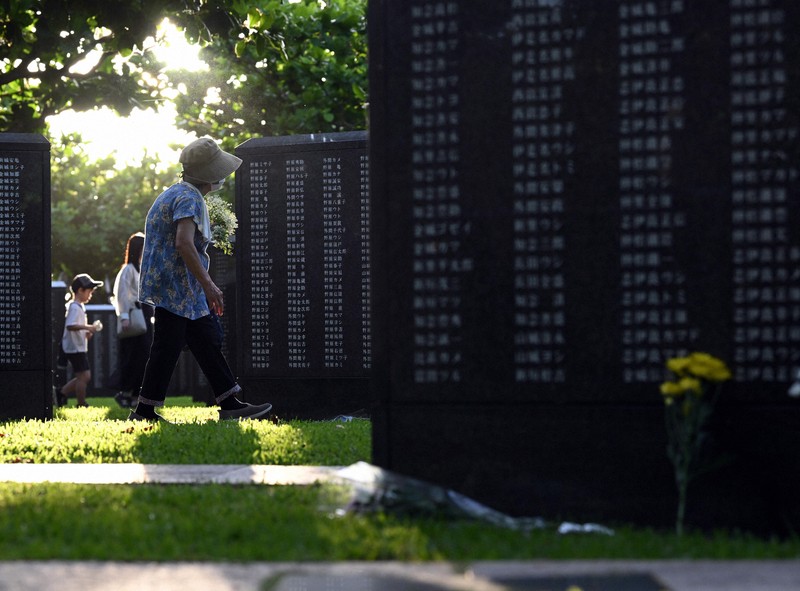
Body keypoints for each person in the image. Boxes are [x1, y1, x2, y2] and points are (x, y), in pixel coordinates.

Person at [129, 136, 272, 422]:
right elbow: (184, 242)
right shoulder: (190, 197)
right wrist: (209, 284)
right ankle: (144, 411)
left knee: (205, 341)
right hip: (178, 288)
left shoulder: (174, 192)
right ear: (210, 174)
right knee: (167, 348)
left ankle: (230, 404)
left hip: (180, 288)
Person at [111, 232, 153, 408]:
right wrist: (124, 317)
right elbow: (122, 295)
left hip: (144, 313)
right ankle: (125, 392)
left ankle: (137, 393)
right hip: (134, 314)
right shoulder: (127, 270)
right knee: (132, 356)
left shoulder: (142, 268)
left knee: (144, 355)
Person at [58, 273, 103, 407]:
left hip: (77, 347)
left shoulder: (78, 307)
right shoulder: (74, 307)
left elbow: (75, 327)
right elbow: (70, 325)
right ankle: (81, 403)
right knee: (84, 376)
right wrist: (89, 327)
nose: (91, 294)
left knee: (82, 376)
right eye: (89, 291)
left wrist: (87, 333)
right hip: (74, 348)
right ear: (80, 290)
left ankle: (62, 393)